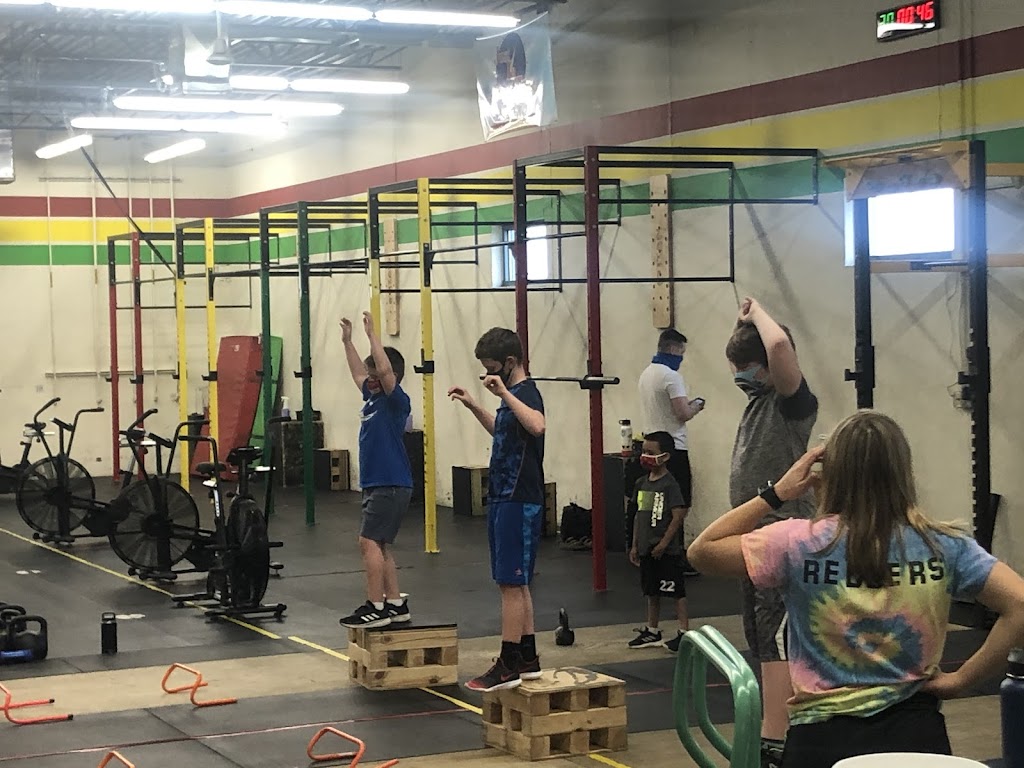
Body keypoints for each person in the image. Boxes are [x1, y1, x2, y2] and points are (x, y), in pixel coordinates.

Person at [689, 410, 1024, 768]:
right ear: (902, 471)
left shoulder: (796, 542)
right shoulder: (943, 544)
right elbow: (1019, 603)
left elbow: (701, 551)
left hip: (821, 739)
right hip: (916, 734)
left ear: (828, 473)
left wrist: (777, 493)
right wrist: (961, 680)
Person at [725, 297, 818, 768]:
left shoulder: (791, 405)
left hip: (785, 537)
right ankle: (776, 729)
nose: (739, 377)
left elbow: (779, 344)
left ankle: (777, 739)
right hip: (756, 542)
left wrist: (756, 313)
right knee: (762, 636)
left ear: (767, 368)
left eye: (746, 368)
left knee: (778, 637)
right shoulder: (758, 404)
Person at [448, 327, 545, 692]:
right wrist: (475, 405)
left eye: (491, 367)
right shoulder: (511, 397)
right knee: (515, 581)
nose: (488, 374)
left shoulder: (525, 392)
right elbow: (503, 432)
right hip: (504, 494)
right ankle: (528, 657)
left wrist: (504, 393)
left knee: (511, 583)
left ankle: (508, 664)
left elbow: (537, 425)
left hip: (519, 496)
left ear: (510, 362)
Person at [338, 312, 413, 630]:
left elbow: (383, 369)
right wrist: (348, 341)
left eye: (376, 376)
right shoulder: (371, 397)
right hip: (379, 483)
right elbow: (360, 372)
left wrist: (372, 336)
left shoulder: (397, 401)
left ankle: (375, 606)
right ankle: (394, 603)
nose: (370, 379)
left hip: (389, 482)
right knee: (380, 544)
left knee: (367, 541)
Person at [637, 328, 704, 575]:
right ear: (674, 349)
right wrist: (697, 405)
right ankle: (674, 555)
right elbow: (682, 413)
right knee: (679, 504)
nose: (682, 358)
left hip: (650, 446)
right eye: (681, 352)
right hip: (672, 448)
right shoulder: (671, 376)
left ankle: (650, 548)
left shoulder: (646, 374)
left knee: (655, 502)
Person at [627, 431, 689, 653]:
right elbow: (639, 514)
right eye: (643, 452)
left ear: (665, 456)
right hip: (647, 548)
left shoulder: (670, 485)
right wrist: (635, 544)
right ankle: (652, 630)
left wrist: (664, 543)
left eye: (650, 452)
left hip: (666, 551)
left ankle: (684, 632)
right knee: (651, 590)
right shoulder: (642, 483)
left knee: (675, 591)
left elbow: (678, 516)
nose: (645, 456)